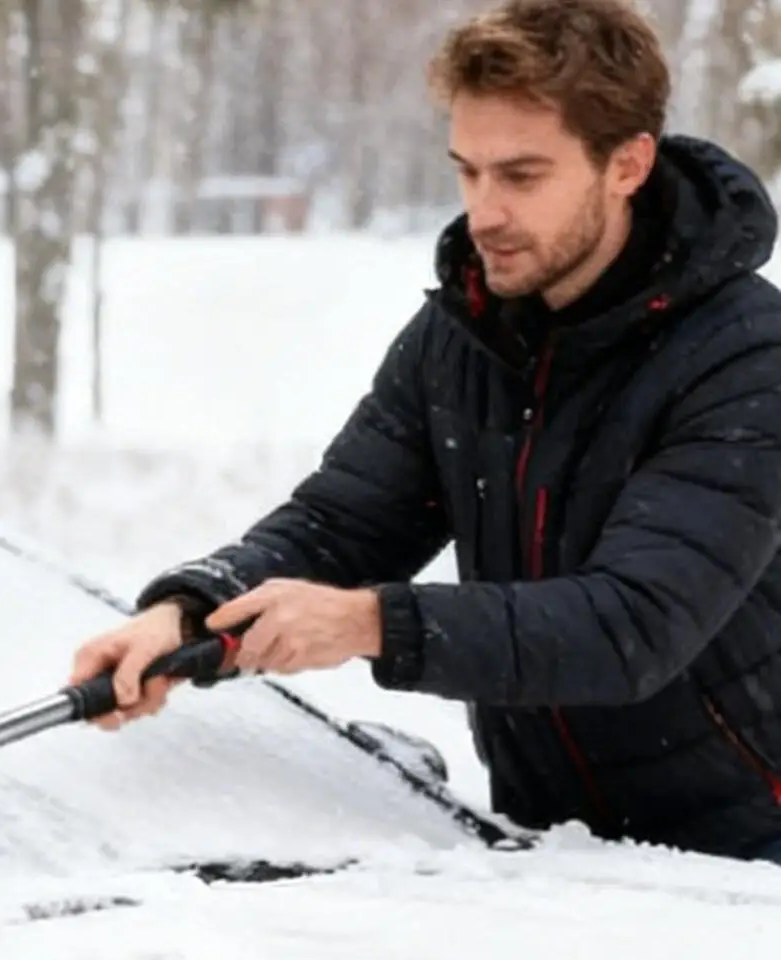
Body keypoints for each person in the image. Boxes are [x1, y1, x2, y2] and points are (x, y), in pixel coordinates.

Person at [72, 0, 781, 864]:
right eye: (467, 172)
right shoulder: (465, 335)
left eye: (520, 177)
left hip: (752, 862)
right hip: (559, 853)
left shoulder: (745, 356)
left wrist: (373, 623)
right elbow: (342, 524)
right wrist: (184, 613)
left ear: (626, 164)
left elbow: (630, 627)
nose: (483, 213)